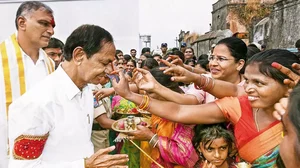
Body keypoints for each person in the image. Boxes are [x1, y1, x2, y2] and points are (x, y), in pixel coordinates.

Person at [112, 49, 300, 167]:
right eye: (248, 81)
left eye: (259, 83)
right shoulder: (239, 106)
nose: (248, 88)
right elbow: (179, 111)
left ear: (288, 84)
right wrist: (130, 95)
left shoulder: (295, 115)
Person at [8, 24, 128, 167]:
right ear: (79, 55)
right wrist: (84, 165)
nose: (110, 71)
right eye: (104, 63)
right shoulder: (37, 103)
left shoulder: (87, 92)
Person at [0, 1, 55, 167]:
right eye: (43, 23)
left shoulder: (50, 63)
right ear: (22, 23)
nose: (51, 31)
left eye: (52, 26)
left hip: (43, 155)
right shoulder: (2, 59)